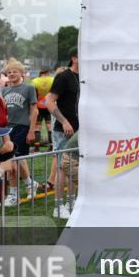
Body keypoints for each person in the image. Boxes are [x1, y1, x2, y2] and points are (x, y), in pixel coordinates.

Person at [1, 60, 41, 207]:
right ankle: (30, 183)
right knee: (16, 159)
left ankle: (14, 194)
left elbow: (34, 110)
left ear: (22, 73)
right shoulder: (3, 90)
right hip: (7, 129)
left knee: (15, 160)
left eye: (15, 71)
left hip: (22, 127)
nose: (11, 74)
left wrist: (31, 130)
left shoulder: (29, 88)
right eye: (9, 72)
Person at [46, 48, 79, 219]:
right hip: (64, 130)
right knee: (62, 167)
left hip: (80, 130)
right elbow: (49, 101)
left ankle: (71, 202)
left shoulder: (85, 78)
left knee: (73, 166)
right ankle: (58, 206)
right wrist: (64, 121)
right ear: (74, 58)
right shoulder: (64, 76)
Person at [31, 68, 54, 145]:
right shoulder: (52, 79)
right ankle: (51, 146)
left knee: (37, 127)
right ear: (48, 72)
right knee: (49, 127)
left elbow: (33, 94)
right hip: (49, 105)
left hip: (38, 106)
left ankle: (36, 147)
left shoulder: (34, 81)